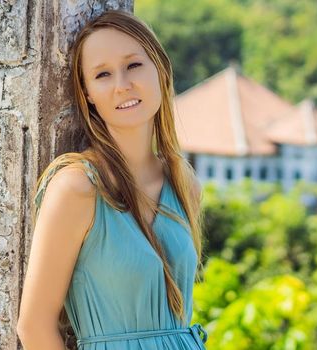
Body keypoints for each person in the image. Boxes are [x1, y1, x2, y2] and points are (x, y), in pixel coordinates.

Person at [16, 10, 207, 350]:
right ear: (87, 93)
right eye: (103, 74)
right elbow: (33, 327)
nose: (122, 85)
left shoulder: (183, 182)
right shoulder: (77, 188)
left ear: (159, 70)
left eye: (134, 65)